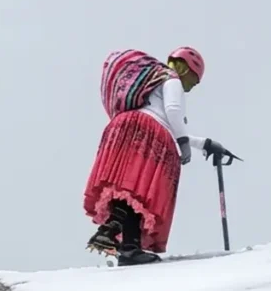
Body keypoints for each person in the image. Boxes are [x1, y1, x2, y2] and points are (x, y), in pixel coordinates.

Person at [85, 47, 233, 265]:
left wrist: (204, 144)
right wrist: (184, 144)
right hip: (148, 131)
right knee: (140, 192)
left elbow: (162, 118)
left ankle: (116, 234)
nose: (192, 87)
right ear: (186, 69)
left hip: (125, 127)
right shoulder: (171, 79)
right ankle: (128, 247)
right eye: (194, 79)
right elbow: (172, 112)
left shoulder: (152, 83)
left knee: (128, 189)